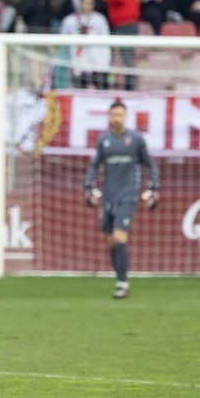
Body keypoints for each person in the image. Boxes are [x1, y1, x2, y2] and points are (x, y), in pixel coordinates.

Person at [83, 101, 158, 300]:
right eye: (114, 115)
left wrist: (153, 187)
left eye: (120, 115)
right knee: (111, 242)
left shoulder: (135, 140)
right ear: (109, 117)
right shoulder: (104, 140)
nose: (117, 118)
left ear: (125, 116)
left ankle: (123, 283)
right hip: (108, 196)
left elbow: (150, 165)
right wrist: (88, 186)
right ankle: (119, 280)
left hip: (128, 196)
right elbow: (94, 165)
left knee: (119, 237)